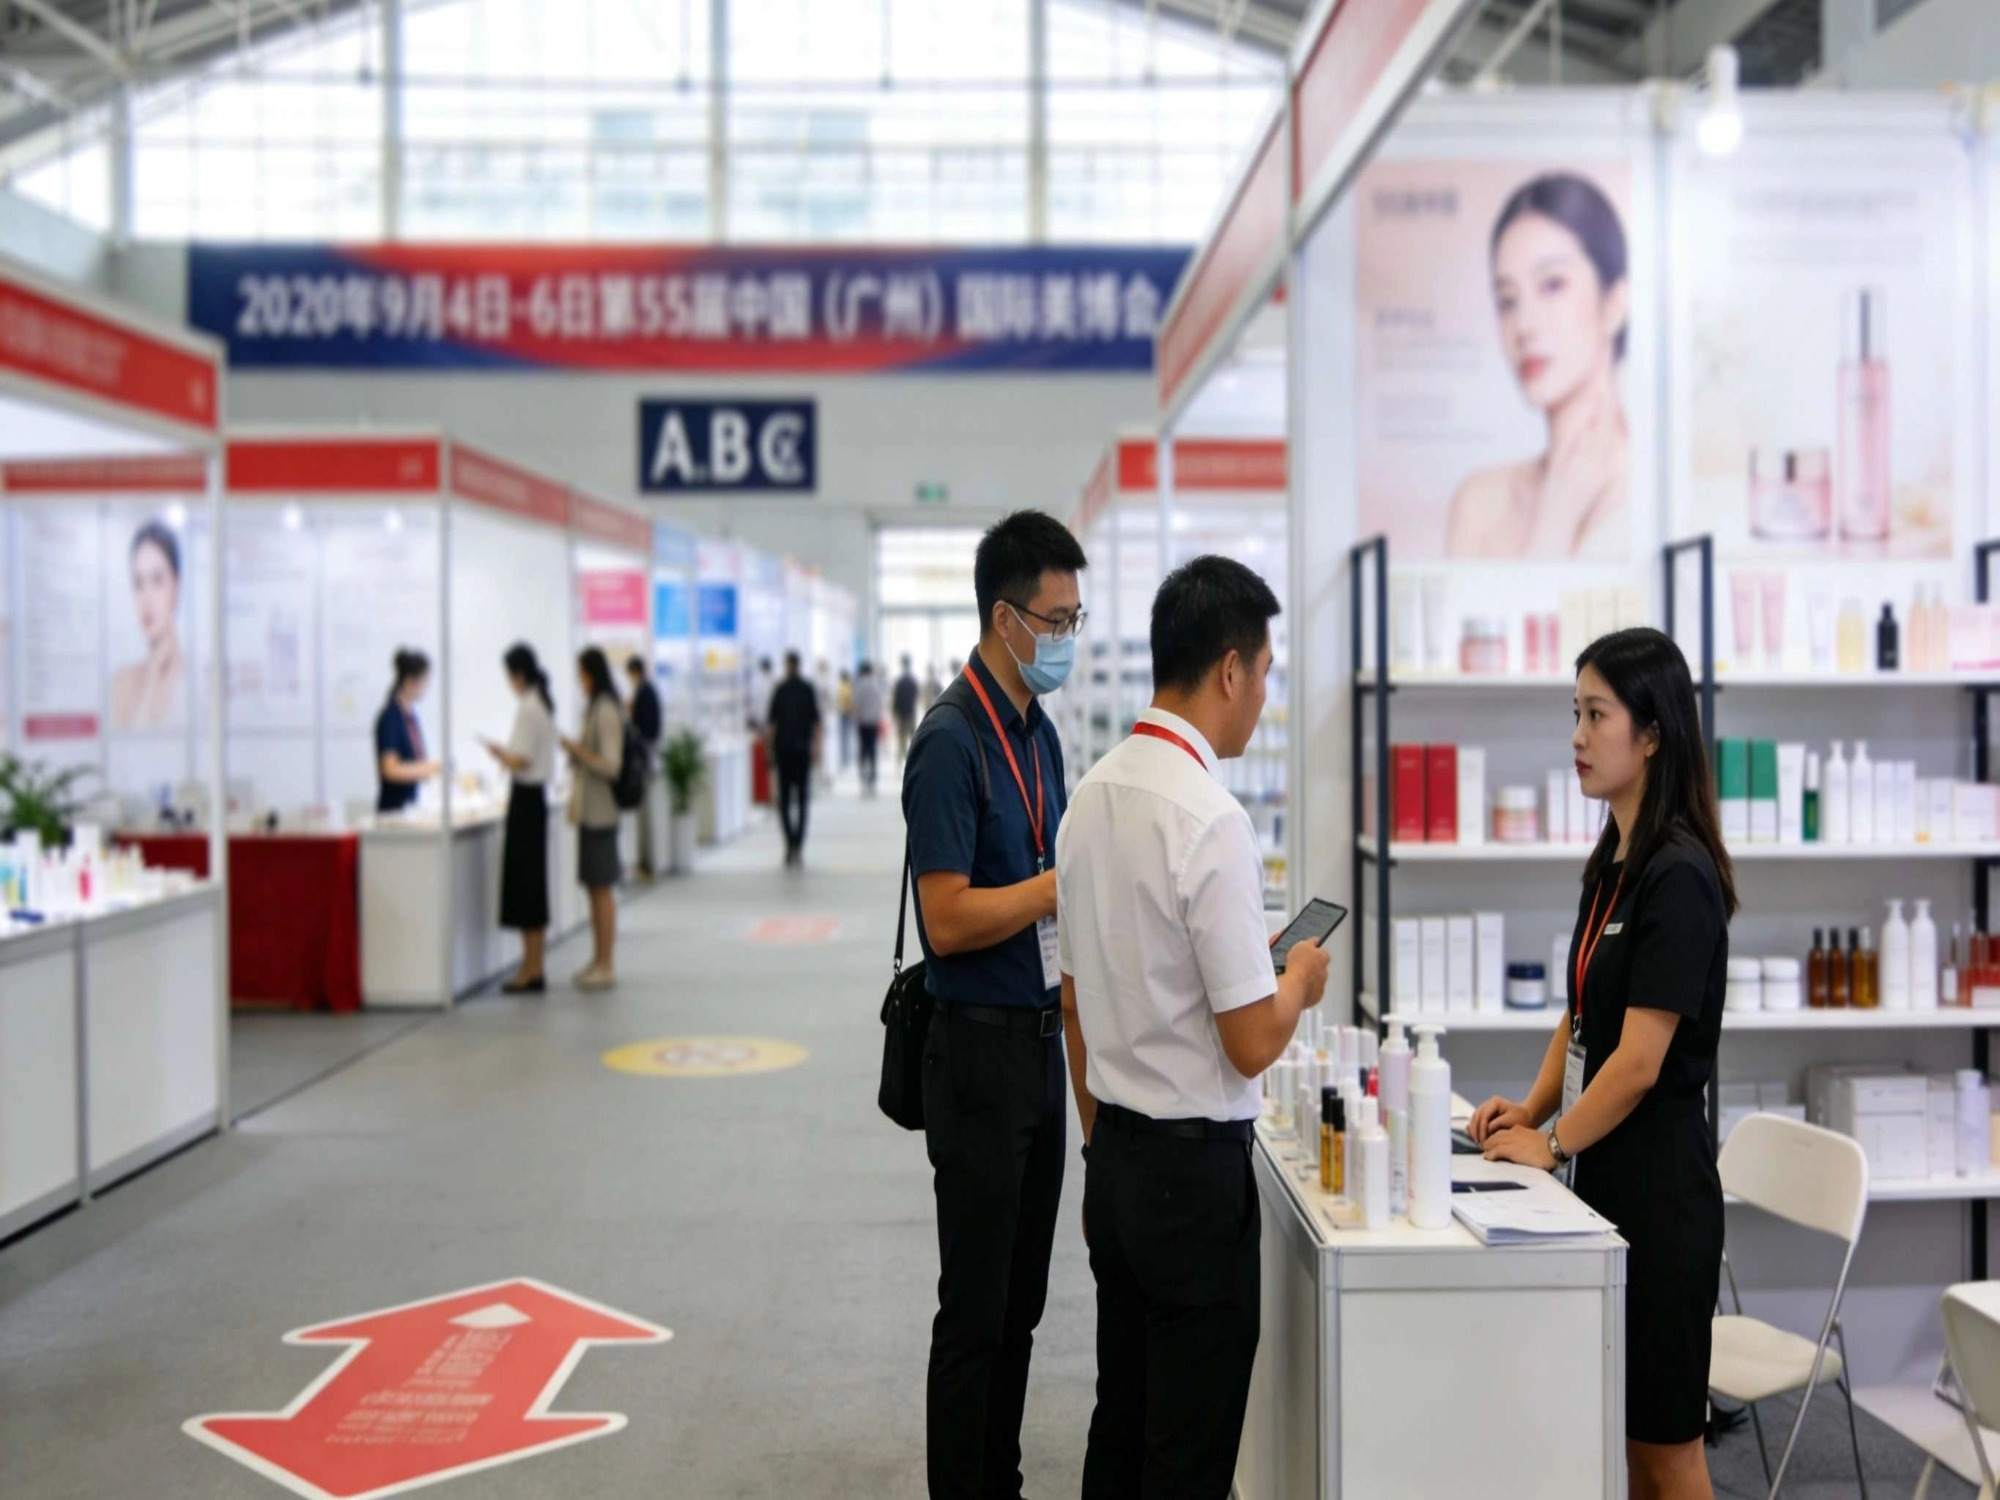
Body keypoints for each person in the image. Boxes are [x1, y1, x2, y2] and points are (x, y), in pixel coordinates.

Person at [1057, 555, 1329, 1498]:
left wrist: (1103, 1142)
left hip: (1116, 1158)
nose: (1264, 693)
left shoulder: (1090, 797)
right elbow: (1251, 1040)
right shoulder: (1209, 817)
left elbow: (1075, 998)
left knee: (1122, 1417)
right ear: (1228, 671)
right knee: (1191, 1442)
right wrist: (1295, 977)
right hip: (1191, 1178)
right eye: (1265, 671)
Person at [1472, 626, 1734, 1500]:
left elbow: (1638, 1062)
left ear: (1652, 732)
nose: (1577, 737)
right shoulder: (1611, 864)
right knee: (1618, 1442)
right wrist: (1533, 1113)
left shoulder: (1679, 876)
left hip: (1661, 1200)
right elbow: (1580, 1021)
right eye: (1573, 715)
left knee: (1667, 1451)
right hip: (1603, 1182)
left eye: (1596, 715)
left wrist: (1552, 1145)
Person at [903, 510, 1086, 1500]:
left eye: (1074, 619)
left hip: (1037, 1050)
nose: (1064, 638)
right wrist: (1055, 886)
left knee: (1019, 1303)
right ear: (1003, 616)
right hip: (972, 1057)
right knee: (972, 1310)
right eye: (1055, 620)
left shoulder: (1040, 736)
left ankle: (998, 1481)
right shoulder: (949, 743)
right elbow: (946, 919)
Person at [1447, 172, 1631, 561]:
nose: (1524, 325)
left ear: (1614, 302)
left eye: (1552, 285)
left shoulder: (1664, 492)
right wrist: (1555, 520)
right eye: (1508, 300)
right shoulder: (1481, 505)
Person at [481, 644, 556, 994]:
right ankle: (533, 964)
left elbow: (522, 759)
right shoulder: (541, 704)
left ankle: (531, 966)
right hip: (534, 801)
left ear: (518, 674)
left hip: (526, 801)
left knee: (525, 886)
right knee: (532, 884)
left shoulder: (528, 708)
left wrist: (501, 754)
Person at [560, 647, 625, 992]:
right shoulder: (595, 709)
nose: (578, 681)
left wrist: (578, 752)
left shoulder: (605, 711)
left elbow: (611, 765)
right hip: (590, 811)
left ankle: (607, 963)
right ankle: (597, 959)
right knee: (593, 888)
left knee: (602, 890)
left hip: (602, 812)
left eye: (581, 674)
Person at [110, 517, 187, 732]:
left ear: (176, 587)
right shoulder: (122, 684)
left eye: (157, 580)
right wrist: (152, 680)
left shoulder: (197, 682)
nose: (147, 598)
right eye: (139, 583)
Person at [766, 651, 822, 867]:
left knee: (785, 800)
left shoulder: (779, 690)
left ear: (787, 665)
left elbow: (772, 725)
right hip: (802, 752)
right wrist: (816, 750)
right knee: (802, 799)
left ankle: (790, 843)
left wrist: (770, 752)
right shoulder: (807, 689)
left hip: (784, 752)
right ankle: (798, 843)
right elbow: (816, 723)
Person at [374, 648, 440, 814]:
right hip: (394, 810)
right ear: (410, 681)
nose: (426, 687)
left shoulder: (409, 716)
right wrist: (429, 768)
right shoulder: (391, 718)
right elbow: (390, 769)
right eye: (425, 681)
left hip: (411, 805)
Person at [626, 655, 664, 878]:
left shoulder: (644, 692)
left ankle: (647, 863)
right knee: (644, 812)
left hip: (643, 757)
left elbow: (644, 727)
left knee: (645, 811)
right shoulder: (648, 691)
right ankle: (645, 862)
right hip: (647, 754)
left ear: (635, 672)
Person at [852, 662, 885, 795]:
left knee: (863, 750)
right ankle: (872, 779)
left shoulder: (859, 685)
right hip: (873, 722)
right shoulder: (876, 685)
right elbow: (880, 704)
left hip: (862, 723)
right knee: (872, 750)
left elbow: (856, 704)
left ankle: (863, 778)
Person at [892, 655, 921, 763]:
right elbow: (917, 696)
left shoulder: (899, 681)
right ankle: (912, 760)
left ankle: (902, 761)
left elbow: (895, 699)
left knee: (901, 739)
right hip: (910, 713)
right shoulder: (913, 681)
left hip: (901, 714)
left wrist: (895, 713)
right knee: (912, 737)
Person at [836, 668, 856, 770]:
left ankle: (844, 757)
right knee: (847, 735)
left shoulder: (840, 686)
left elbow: (838, 700)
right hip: (847, 713)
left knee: (843, 736)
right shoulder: (848, 686)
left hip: (842, 713)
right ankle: (846, 756)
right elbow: (851, 700)